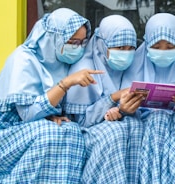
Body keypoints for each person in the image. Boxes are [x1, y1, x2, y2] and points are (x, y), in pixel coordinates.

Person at [0, 8, 104, 183]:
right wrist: (65, 83)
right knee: (49, 134)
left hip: (30, 130)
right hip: (2, 135)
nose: (78, 48)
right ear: (53, 37)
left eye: (82, 43)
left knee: (72, 132)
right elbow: (27, 115)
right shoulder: (24, 58)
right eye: (73, 42)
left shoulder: (62, 61)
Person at [123, 13, 175, 184]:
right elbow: (121, 101)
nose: (163, 52)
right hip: (148, 124)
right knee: (158, 118)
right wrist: (126, 108)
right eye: (156, 46)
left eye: (170, 46)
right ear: (146, 44)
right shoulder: (135, 66)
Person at [64, 15, 144, 183]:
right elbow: (80, 122)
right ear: (101, 44)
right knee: (114, 132)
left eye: (130, 48)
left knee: (135, 126)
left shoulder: (128, 68)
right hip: (85, 134)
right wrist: (113, 98)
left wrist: (122, 111)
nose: (126, 54)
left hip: (115, 126)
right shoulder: (83, 69)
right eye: (120, 47)